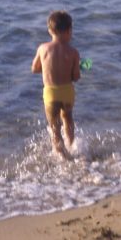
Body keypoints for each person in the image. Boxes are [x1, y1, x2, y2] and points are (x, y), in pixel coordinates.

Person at [31, 10, 81, 160]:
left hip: (51, 93)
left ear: (49, 30)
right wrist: (79, 67)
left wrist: (47, 69)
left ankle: (60, 154)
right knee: (68, 118)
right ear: (69, 31)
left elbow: (34, 69)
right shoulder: (73, 52)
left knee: (54, 126)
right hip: (67, 92)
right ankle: (71, 146)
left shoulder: (43, 48)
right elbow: (76, 77)